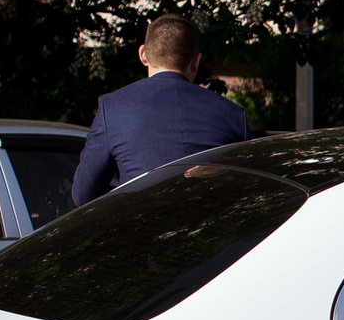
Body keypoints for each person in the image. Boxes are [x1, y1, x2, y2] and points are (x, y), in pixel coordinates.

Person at [70, 14, 251, 205]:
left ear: (142, 55)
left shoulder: (113, 108)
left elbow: (83, 195)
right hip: (214, 230)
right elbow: (251, 190)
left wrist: (129, 198)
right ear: (195, 61)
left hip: (142, 228)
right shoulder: (233, 115)